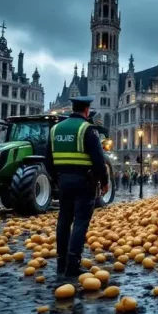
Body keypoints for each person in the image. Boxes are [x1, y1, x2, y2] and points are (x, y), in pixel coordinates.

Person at [47, 96, 109, 276]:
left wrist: (56, 178)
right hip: (84, 182)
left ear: (71, 108)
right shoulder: (87, 129)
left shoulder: (55, 129)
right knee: (80, 222)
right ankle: (73, 264)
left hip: (63, 181)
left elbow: (47, 159)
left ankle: (61, 261)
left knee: (64, 220)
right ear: (87, 110)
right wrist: (104, 181)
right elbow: (99, 160)